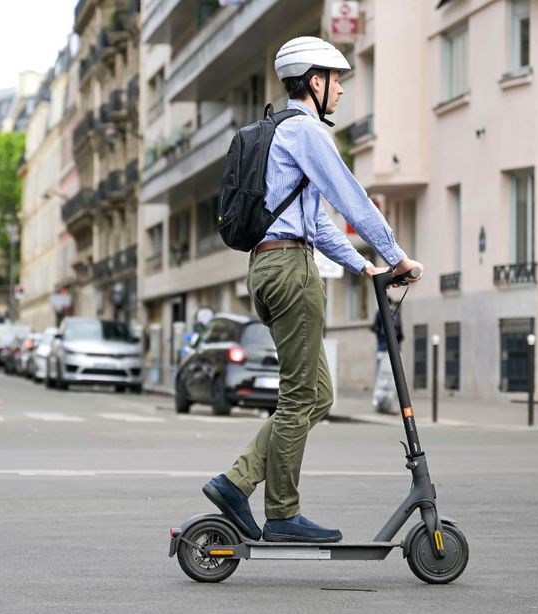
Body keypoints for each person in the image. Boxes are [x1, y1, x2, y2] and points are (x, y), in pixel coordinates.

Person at [202, 36, 424, 543]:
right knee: (301, 394)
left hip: (267, 266)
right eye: (337, 79)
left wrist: (363, 267)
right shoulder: (305, 132)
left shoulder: (278, 132)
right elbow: (353, 199)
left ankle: (236, 482)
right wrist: (397, 256)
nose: (342, 91)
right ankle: (281, 514)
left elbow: (316, 223)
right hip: (291, 271)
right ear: (314, 82)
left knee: (317, 394)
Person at [370, 298, 403, 414]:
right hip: (395, 349)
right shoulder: (397, 313)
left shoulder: (379, 313)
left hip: (383, 348)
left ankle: (380, 405)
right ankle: (391, 405)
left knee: (381, 377)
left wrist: (379, 333)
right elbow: (401, 334)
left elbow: (374, 327)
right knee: (394, 378)